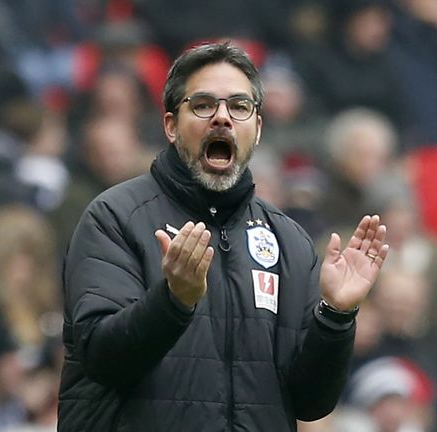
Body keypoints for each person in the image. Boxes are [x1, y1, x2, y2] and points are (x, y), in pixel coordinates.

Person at [59, 42, 390, 431]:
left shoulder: (289, 242)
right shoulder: (115, 217)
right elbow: (102, 359)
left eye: (239, 106)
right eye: (202, 105)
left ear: (258, 128)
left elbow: (311, 402)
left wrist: (335, 316)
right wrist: (172, 302)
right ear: (170, 125)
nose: (222, 118)